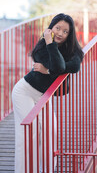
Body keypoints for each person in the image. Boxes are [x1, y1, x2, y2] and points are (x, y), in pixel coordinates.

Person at [12, 13, 84, 173]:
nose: (60, 33)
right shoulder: (42, 47)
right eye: (57, 28)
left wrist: (48, 70)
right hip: (25, 91)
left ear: (69, 34)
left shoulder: (72, 49)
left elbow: (75, 66)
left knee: (49, 133)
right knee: (28, 134)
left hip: (45, 96)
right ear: (51, 28)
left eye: (65, 31)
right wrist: (49, 42)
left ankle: (47, 170)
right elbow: (59, 67)